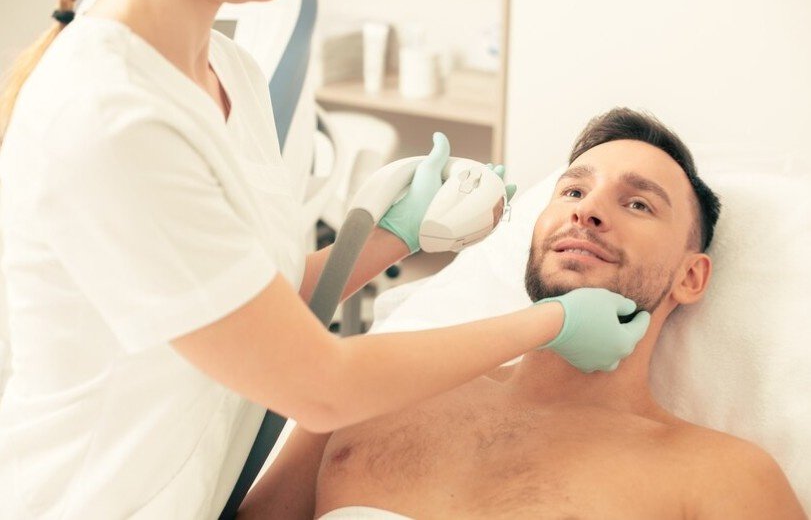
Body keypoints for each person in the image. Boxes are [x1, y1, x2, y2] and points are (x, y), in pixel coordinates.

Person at [0, 0, 650, 518]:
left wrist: (390, 237)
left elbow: (246, 306)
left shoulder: (229, 72)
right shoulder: (110, 118)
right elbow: (319, 387)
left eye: (641, 202)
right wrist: (552, 322)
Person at [239, 108, 807, 519]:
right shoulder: (372, 389)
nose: (588, 214)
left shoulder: (720, 477)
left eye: (637, 203)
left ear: (691, 277)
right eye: (573, 192)